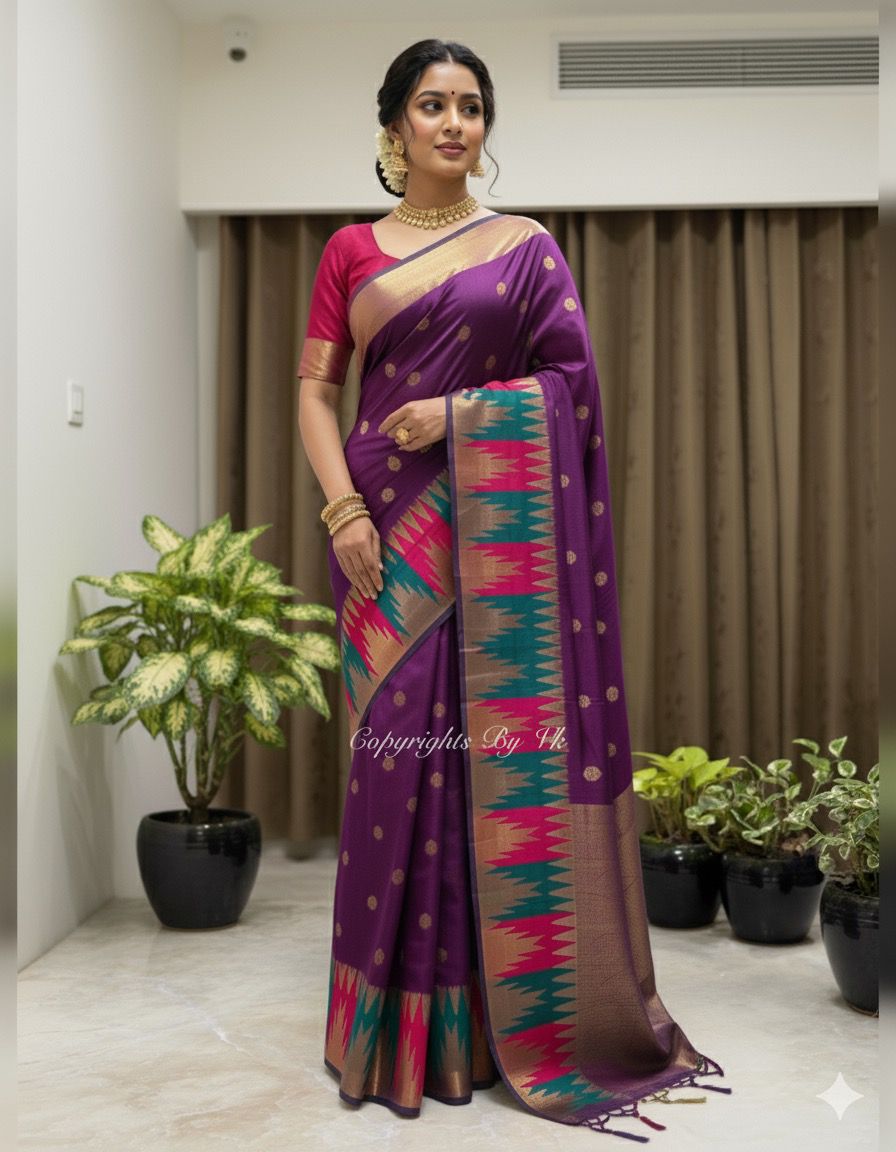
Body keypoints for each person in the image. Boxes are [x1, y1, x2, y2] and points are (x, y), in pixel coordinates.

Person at [297, 38, 730, 1143]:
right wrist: (343, 512)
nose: (454, 123)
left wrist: (456, 415)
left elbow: (570, 391)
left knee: (493, 769)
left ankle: (499, 1029)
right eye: (432, 105)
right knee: (397, 771)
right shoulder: (350, 251)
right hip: (382, 543)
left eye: (472, 106)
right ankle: (393, 1032)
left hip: (497, 545)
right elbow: (313, 395)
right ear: (393, 125)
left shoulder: (525, 250)